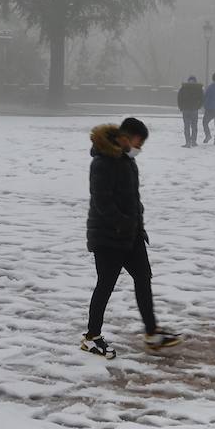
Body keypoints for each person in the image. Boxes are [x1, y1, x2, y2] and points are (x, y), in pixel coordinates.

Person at [81, 117, 182, 359]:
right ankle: (91, 338)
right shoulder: (102, 162)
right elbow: (102, 202)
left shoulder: (127, 161)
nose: (140, 147)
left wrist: (138, 226)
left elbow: (132, 199)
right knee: (105, 285)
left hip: (131, 236)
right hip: (108, 236)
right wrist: (123, 224)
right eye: (139, 141)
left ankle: (152, 333)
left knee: (143, 278)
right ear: (125, 137)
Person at [176, 76, 204, 148]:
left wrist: (181, 107)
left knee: (187, 127)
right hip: (194, 109)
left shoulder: (183, 88)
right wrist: (198, 107)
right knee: (194, 126)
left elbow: (179, 98)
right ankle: (194, 142)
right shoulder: (198, 88)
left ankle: (188, 142)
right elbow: (202, 99)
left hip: (185, 109)